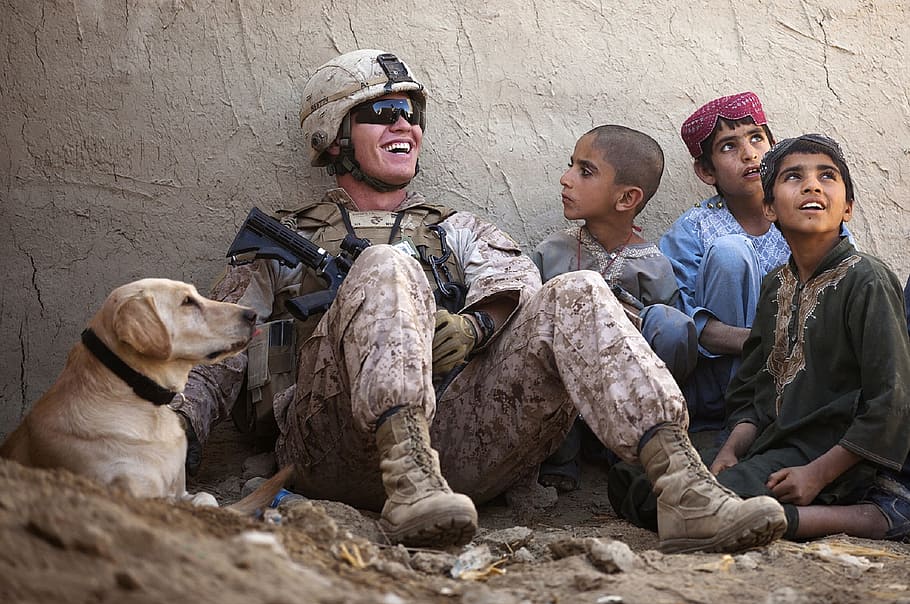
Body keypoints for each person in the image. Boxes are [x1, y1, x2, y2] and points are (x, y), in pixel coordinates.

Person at [173, 49, 787, 553]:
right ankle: (405, 478)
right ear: (332, 135)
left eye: (412, 114)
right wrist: (168, 436)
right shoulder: (287, 239)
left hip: (460, 449)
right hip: (328, 444)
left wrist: (472, 329)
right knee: (387, 262)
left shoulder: (454, 227)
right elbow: (216, 354)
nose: (404, 126)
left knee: (579, 289)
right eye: (382, 113)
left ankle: (684, 489)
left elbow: (520, 287)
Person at [610, 134, 910, 542]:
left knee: (700, 500)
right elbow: (755, 388)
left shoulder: (867, 279)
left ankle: (827, 512)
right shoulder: (776, 284)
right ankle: (736, 509)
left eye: (827, 176)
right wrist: (731, 449)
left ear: (848, 207)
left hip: (827, 454)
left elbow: (891, 403)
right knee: (631, 479)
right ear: (769, 208)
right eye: (793, 177)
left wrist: (815, 474)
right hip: (765, 442)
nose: (812, 186)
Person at [532, 125, 697, 491]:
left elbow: (670, 346)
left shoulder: (653, 264)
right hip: (567, 396)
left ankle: (635, 450)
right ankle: (562, 456)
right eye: (570, 165)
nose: (565, 179)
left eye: (584, 171)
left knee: (671, 324)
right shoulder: (553, 251)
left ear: (626, 199)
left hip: (627, 393)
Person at [659, 92, 787, 431]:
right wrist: (765, 342)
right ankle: (745, 412)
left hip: (798, 373)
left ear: (773, 146)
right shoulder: (694, 229)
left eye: (757, 138)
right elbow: (683, 323)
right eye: (729, 146)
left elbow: (845, 283)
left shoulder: (805, 209)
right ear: (705, 171)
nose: (749, 153)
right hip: (724, 382)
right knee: (731, 251)